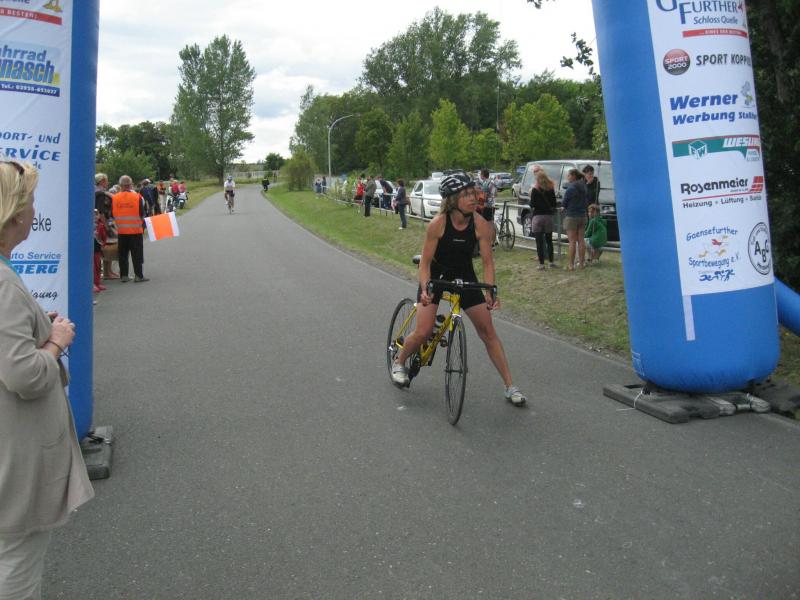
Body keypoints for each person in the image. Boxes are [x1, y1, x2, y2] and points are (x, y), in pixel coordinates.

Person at [0, 159, 94, 598]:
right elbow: (25, 375)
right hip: (14, 462)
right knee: (16, 567)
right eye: (31, 201)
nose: (35, 211)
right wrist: (55, 341)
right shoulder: (3, 283)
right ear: (15, 212)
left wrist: (38, 326)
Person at [389, 173, 528, 406]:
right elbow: (425, 263)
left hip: (464, 275)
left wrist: (490, 290)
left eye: (473, 193)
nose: (473, 198)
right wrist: (425, 289)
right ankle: (399, 361)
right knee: (423, 331)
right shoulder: (438, 224)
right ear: (452, 200)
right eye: (466, 194)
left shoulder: (480, 224)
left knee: (488, 331)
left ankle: (510, 386)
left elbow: (487, 263)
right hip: (436, 276)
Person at [112, 175, 149, 282]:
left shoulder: (115, 198)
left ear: (120, 185)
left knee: (123, 254)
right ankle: (138, 276)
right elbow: (142, 213)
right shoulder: (137, 197)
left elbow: (113, 213)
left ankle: (124, 275)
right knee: (137, 254)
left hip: (121, 231)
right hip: (135, 230)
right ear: (130, 185)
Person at [561, 168, 588, 271]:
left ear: (573, 176)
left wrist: (563, 207)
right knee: (581, 240)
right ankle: (581, 264)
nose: (567, 177)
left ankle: (571, 265)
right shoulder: (583, 187)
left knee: (572, 241)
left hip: (572, 216)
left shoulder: (571, 188)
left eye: (568, 175)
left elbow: (564, 203)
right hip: (582, 215)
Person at [530, 170, 557, 270]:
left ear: (537, 179)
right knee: (549, 241)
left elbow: (532, 205)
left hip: (537, 217)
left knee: (539, 242)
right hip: (548, 217)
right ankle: (551, 262)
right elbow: (554, 204)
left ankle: (541, 264)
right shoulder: (551, 189)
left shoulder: (535, 190)